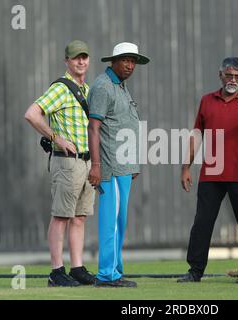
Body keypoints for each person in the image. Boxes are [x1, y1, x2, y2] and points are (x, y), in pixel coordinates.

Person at [178, 57, 238, 284]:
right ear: (220, 76)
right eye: (229, 75)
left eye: (237, 76)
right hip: (212, 172)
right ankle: (195, 270)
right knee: (202, 222)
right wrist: (186, 167)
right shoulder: (207, 100)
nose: (233, 80)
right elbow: (196, 135)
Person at [24, 40, 96, 287]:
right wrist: (56, 137)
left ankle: (76, 268)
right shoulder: (61, 88)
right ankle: (56, 271)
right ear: (67, 60)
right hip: (67, 163)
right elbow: (32, 113)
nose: (81, 61)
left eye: (84, 57)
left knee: (79, 217)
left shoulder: (86, 89)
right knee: (61, 217)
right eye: (76, 57)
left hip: (85, 162)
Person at [87, 42, 149, 288]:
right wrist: (95, 165)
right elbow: (94, 127)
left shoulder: (121, 86)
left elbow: (122, 124)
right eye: (125, 60)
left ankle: (115, 270)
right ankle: (105, 275)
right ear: (113, 61)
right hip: (109, 167)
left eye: (133, 61)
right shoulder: (103, 86)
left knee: (120, 222)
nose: (130, 65)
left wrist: (132, 163)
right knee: (110, 221)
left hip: (123, 166)